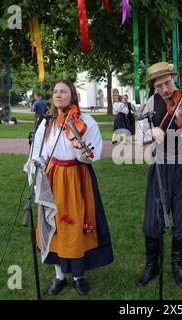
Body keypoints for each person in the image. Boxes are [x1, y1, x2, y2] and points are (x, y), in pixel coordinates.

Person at [25, 80, 113, 296]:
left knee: (75, 225)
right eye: (55, 91)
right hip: (53, 177)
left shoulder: (86, 121)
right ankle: (59, 276)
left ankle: (78, 276)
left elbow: (92, 155)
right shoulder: (46, 123)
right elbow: (38, 151)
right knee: (53, 224)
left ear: (73, 96)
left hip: (77, 177)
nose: (58, 94)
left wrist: (81, 148)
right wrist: (36, 165)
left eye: (63, 91)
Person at [135, 61, 182, 287]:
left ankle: (177, 264)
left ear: (173, 78)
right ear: (153, 87)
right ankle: (151, 265)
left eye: (167, 83)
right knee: (153, 218)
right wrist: (150, 131)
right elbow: (139, 134)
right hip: (161, 166)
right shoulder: (150, 103)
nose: (165, 90)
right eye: (159, 86)